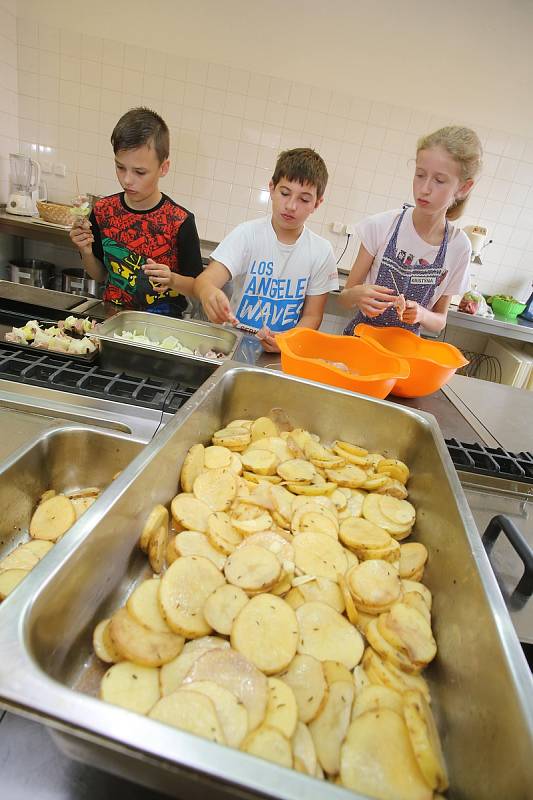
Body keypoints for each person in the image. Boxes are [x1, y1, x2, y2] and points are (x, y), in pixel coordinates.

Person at [340, 126, 483, 335]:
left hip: (405, 354)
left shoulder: (458, 247)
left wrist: (422, 315)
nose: (424, 188)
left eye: (439, 180)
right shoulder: (382, 226)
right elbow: (345, 297)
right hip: (360, 343)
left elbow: (440, 320)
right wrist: (357, 295)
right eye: (420, 175)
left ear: (463, 188)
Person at [194, 148, 339, 352]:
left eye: (304, 199)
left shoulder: (321, 251)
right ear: (271, 188)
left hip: (282, 354)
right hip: (230, 347)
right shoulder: (247, 235)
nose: (290, 206)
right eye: (285, 193)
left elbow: (313, 316)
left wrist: (286, 342)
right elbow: (205, 281)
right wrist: (208, 292)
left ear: (317, 203)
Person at [69, 107, 203, 317]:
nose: (127, 180)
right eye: (120, 167)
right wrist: (85, 250)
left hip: (161, 329)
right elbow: (101, 275)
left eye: (140, 172)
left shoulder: (180, 221)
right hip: (112, 321)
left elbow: (197, 287)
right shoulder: (103, 211)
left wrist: (172, 280)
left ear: (163, 168)